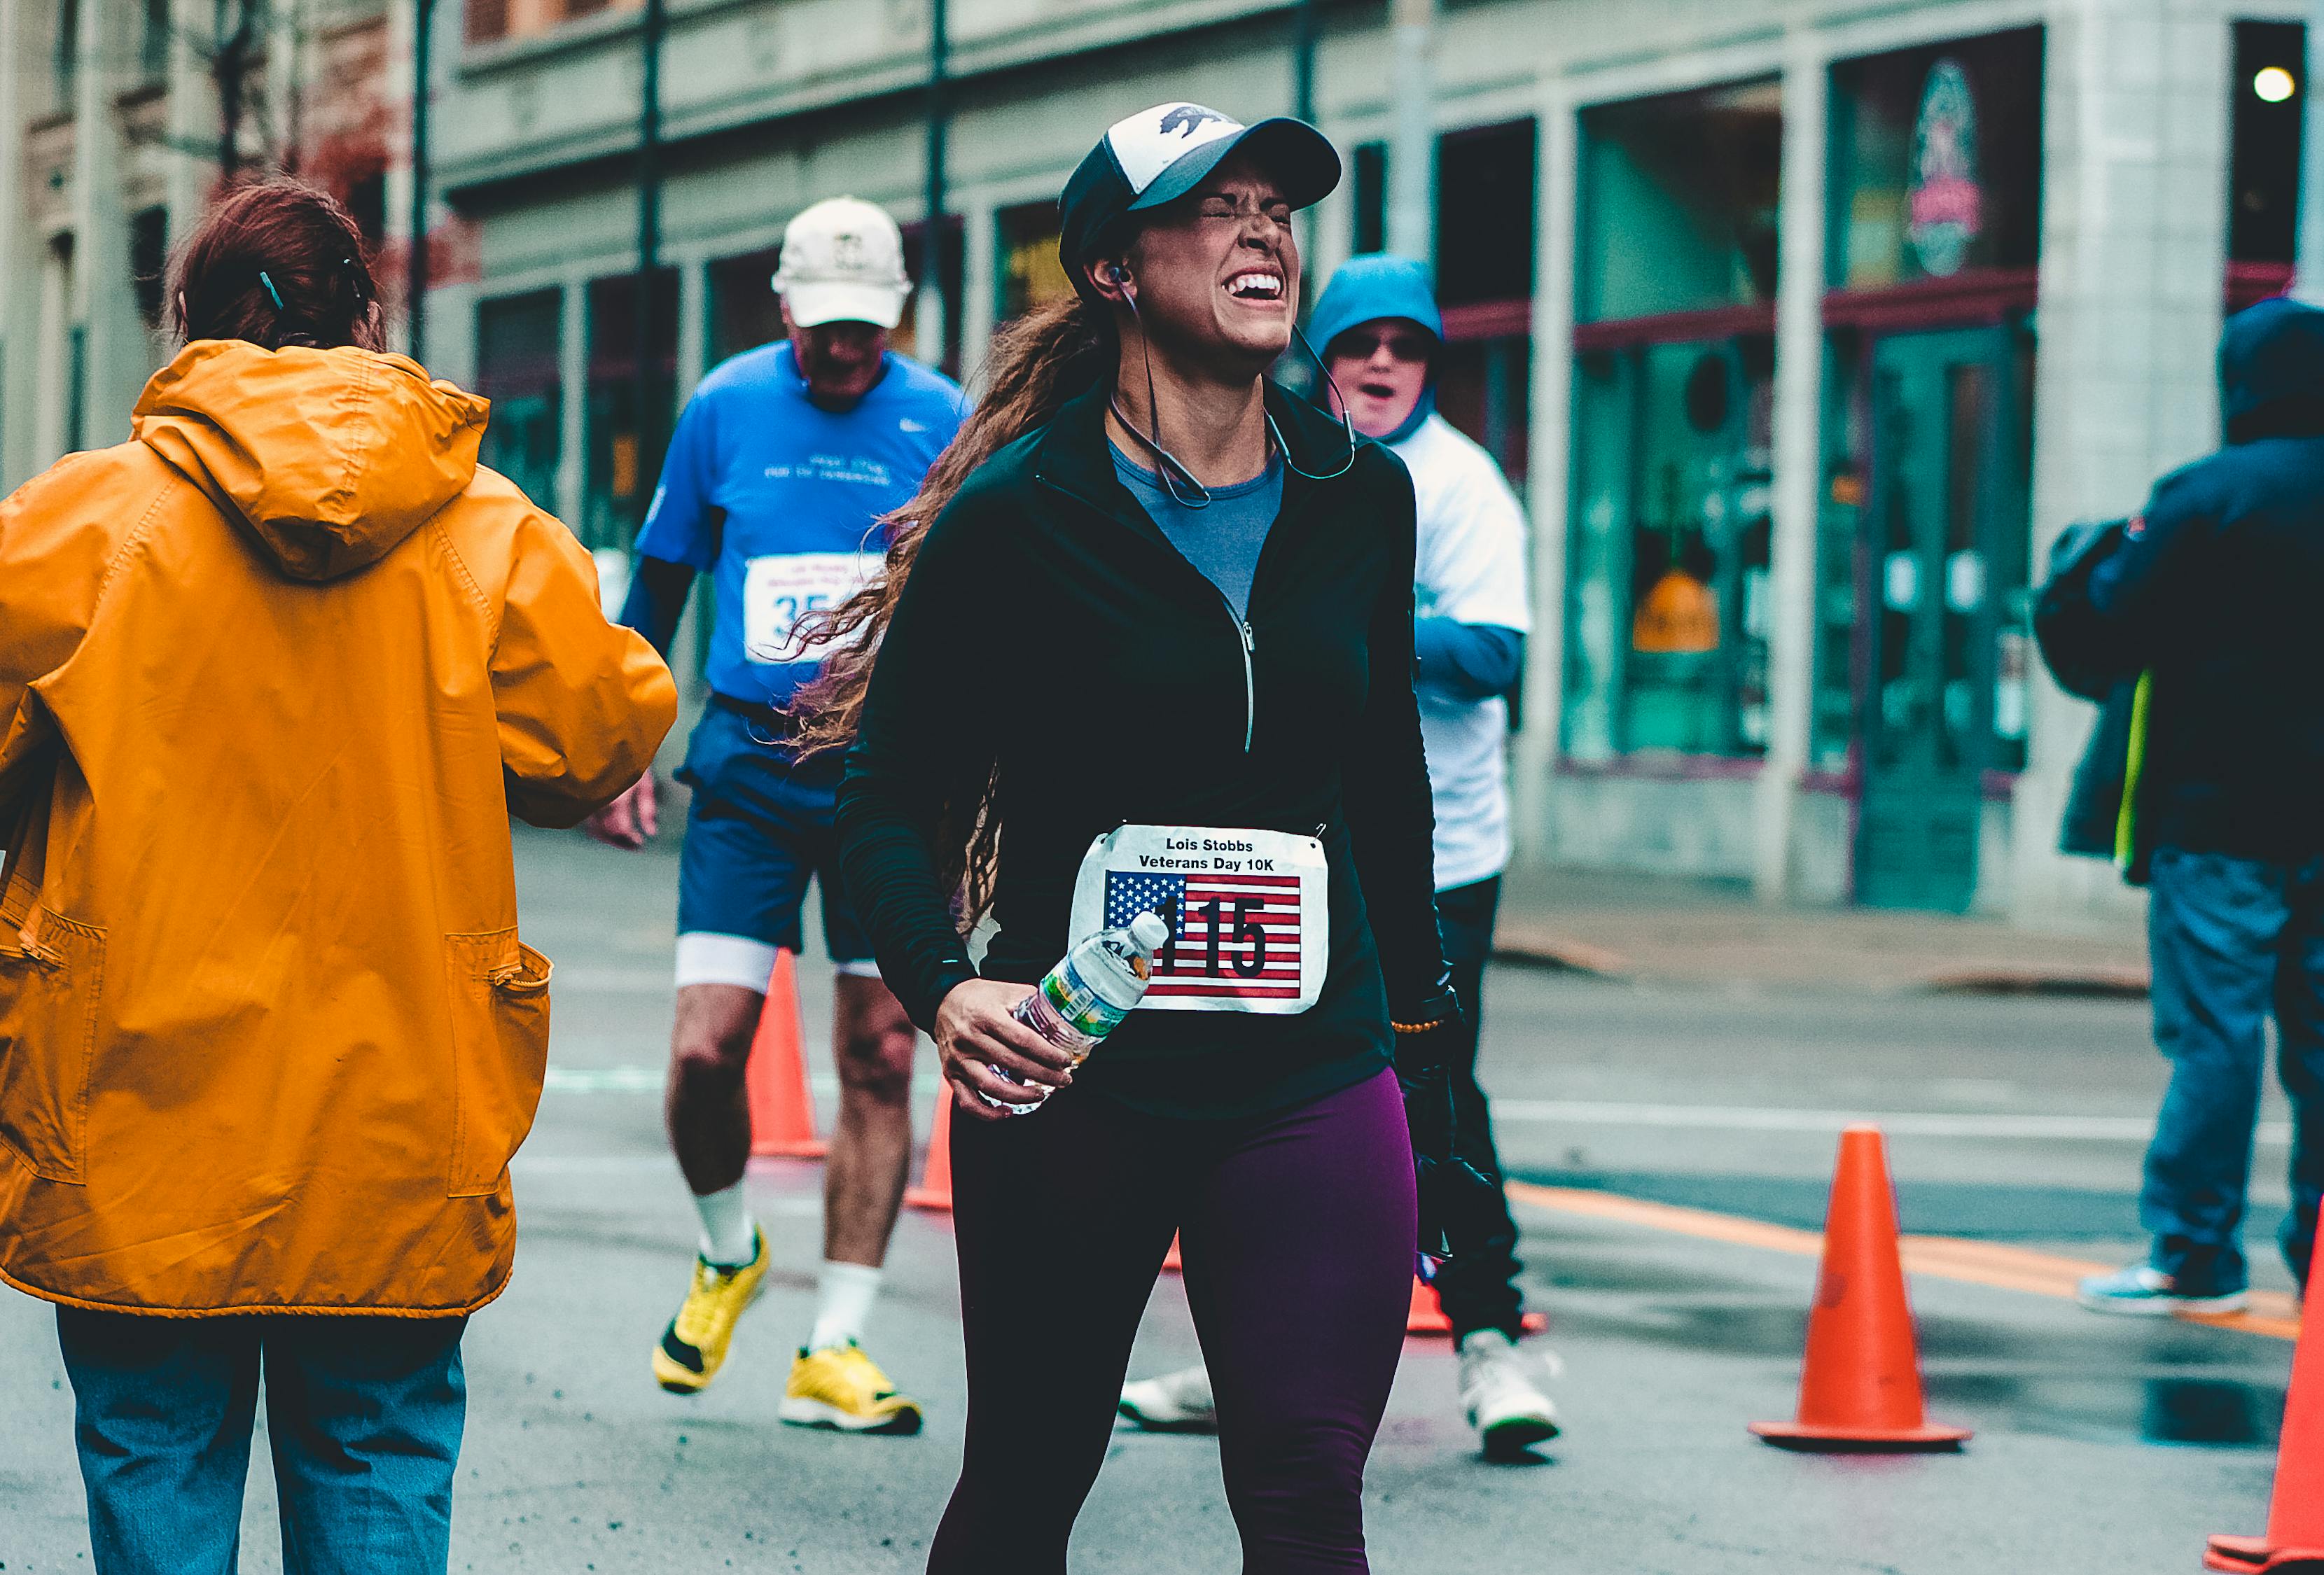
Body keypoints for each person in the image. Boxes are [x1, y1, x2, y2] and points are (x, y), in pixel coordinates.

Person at [806, 102, 1496, 1572]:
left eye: (1279, 209)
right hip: (1079, 1072)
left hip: (1309, 1068)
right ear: (1116, 270)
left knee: (1309, 1494)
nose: (1265, 232)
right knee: (1031, 1477)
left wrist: (1427, 1057)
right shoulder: (1017, 516)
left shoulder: (1357, 496)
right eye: (1216, 206)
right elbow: (881, 798)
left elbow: (1385, 790)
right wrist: (945, 990)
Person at [0, 180, 674, 1572]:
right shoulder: (487, 530)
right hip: (397, 1112)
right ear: (369, 322)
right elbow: (601, 734)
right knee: (377, 1445)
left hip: (141, 1108)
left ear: (185, 330)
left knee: (153, 1444)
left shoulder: (83, 523)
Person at [1118, 252, 1558, 1457]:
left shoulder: (1460, 487)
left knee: (1436, 1087)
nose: (1378, 366)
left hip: (1437, 849)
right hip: (1286, 848)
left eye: (1404, 350)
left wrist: (1360, 623)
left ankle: (1489, 1344)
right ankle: (1238, 1351)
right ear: (1325, 351)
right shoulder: (1285, 451)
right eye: (1360, 344)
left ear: (1427, 366)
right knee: (1261, 1089)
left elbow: (1497, 653)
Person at [583, 196, 966, 1428]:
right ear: (785, 306)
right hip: (748, 768)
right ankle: (728, 1247)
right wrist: (616, 743)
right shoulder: (725, 409)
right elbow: (657, 589)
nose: (848, 350)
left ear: (893, 317)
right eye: (827, 327)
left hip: (892, 781)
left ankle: (836, 1344)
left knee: (882, 1052)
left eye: (870, 329)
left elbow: (988, 605)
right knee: (705, 1051)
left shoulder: (944, 421)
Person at [2036, 295, 2324, 1314]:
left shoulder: (2206, 496)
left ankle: (2195, 1256)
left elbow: (2103, 634)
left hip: (2220, 818)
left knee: (2217, 1035)